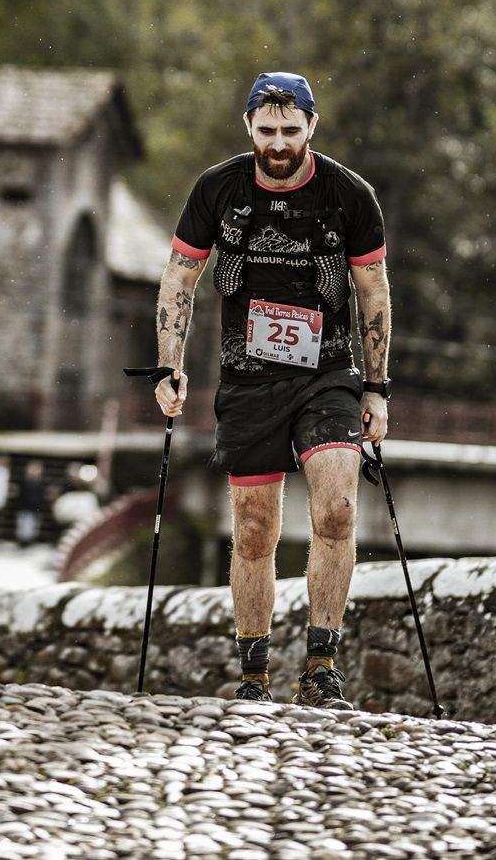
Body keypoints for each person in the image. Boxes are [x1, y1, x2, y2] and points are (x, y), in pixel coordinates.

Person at [152, 71, 391, 709]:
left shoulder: (350, 196)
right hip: (248, 378)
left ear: (312, 126)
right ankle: (254, 673)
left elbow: (373, 293)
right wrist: (168, 365)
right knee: (254, 529)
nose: (279, 143)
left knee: (337, 510)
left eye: (291, 130)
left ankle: (321, 666)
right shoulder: (217, 189)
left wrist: (377, 389)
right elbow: (179, 280)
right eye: (267, 131)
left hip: (328, 374)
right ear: (249, 129)